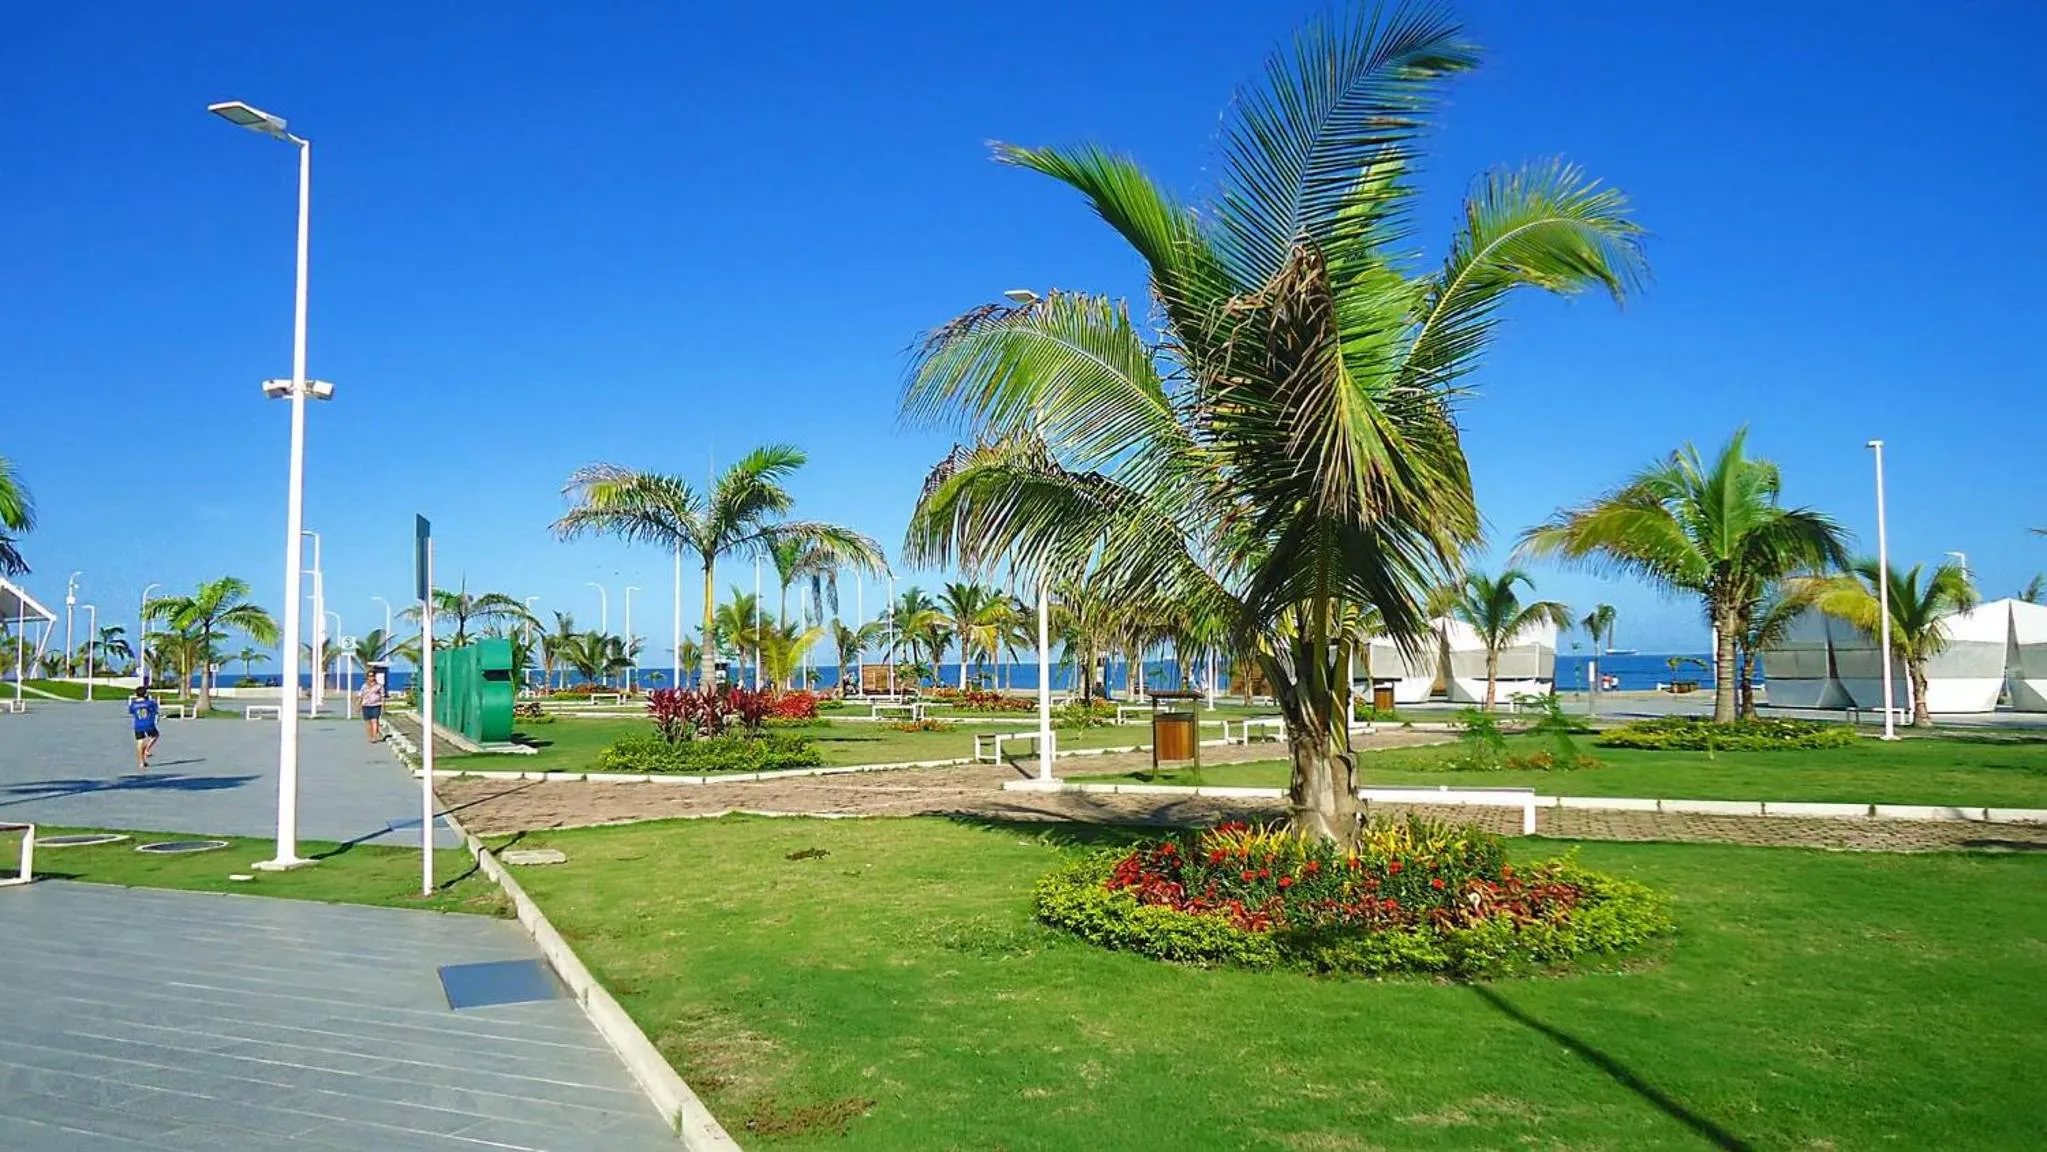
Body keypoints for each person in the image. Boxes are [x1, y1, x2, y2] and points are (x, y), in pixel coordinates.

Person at [128, 685, 161, 771]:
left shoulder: (133, 704)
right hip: (149, 723)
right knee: (155, 735)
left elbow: (131, 712)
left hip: (138, 724)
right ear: (145, 694)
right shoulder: (150, 703)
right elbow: (155, 709)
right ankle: (147, 749)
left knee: (139, 742)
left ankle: (141, 762)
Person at [359, 670, 386, 743]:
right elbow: (361, 696)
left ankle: (374, 737)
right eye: (369, 676)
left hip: (376, 705)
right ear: (367, 677)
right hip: (366, 706)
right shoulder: (364, 686)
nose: (371, 677)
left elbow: (383, 696)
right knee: (368, 723)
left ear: (375, 676)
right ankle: (370, 736)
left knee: (374, 721)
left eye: (372, 676)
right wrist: (358, 705)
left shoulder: (379, 686)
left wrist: (383, 706)